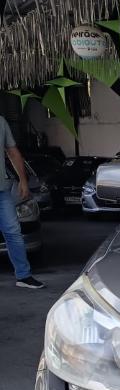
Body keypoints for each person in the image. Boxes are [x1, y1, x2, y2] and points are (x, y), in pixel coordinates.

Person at [0, 115, 45, 289]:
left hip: (2, 191)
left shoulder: (1, 122)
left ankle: (24, 276)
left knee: (14, 233)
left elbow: (12, 152)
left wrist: (23, 180)